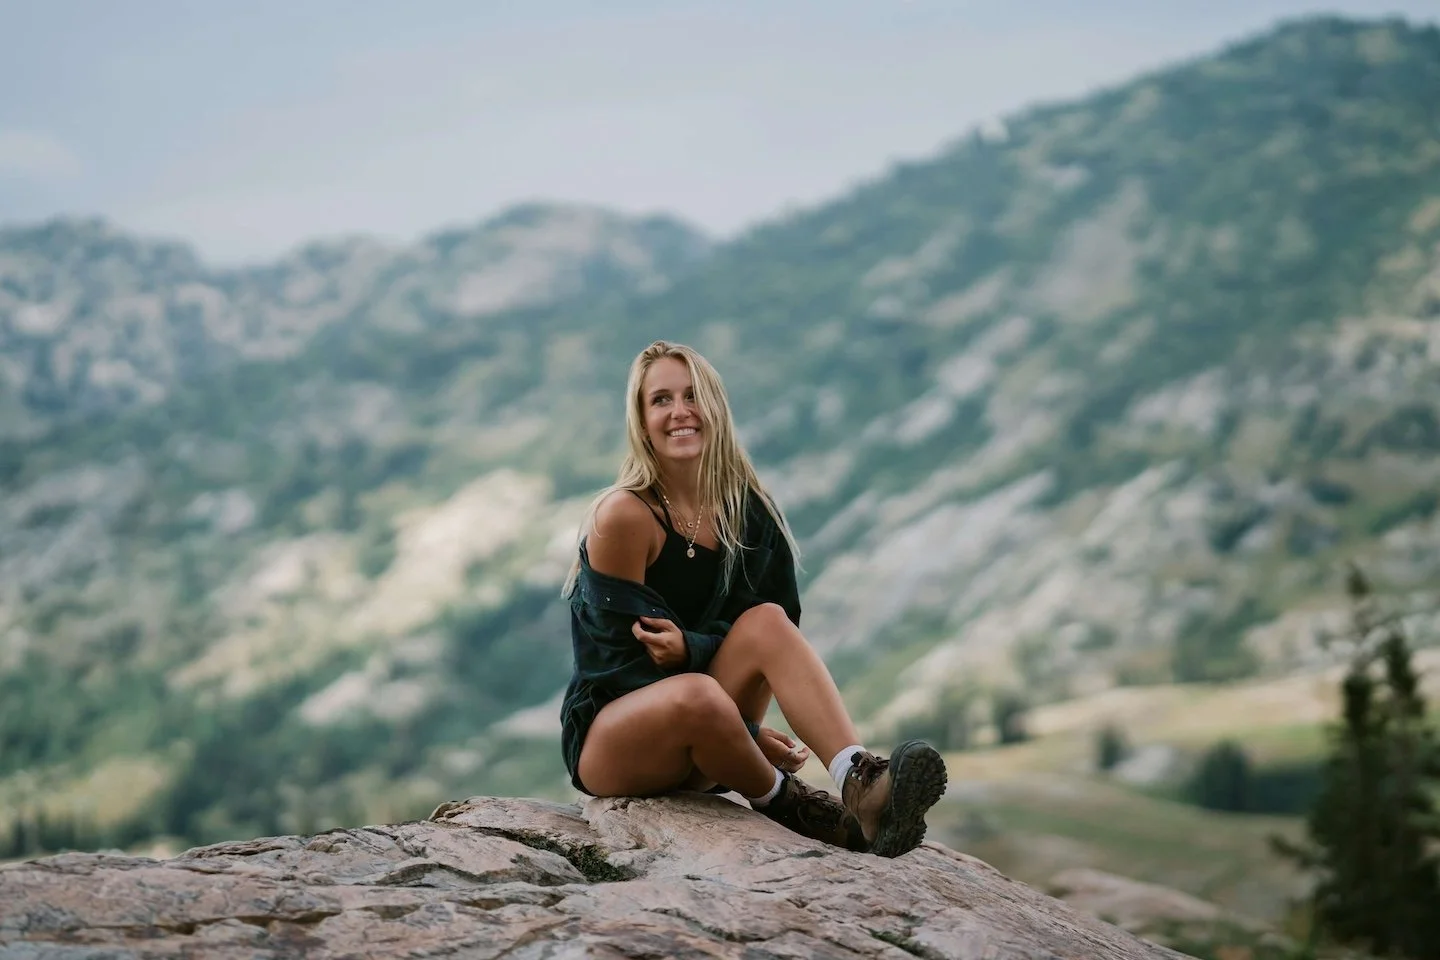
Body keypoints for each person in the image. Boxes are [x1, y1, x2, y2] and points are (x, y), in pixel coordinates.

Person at [559, 339, 947, 857]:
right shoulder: (625, 515)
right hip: (618, 745)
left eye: (693, 395)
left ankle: (858, 781)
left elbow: (777, 640)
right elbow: (613, 665)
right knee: (697, 693)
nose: (680, 411)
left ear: (716, 409)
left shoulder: (750, 512)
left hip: (712, 740)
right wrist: (747, 732)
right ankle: (798, 807)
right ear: (641, 421)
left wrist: (697, 656)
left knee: (765, 620)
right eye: (661, 400)